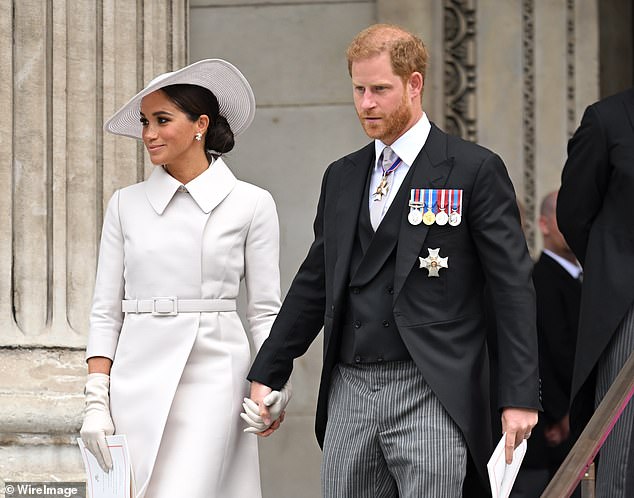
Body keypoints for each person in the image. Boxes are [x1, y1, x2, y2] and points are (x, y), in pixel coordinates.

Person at [244, 24, 540, 497]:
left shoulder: (473, 169)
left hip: (432, 387)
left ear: (414, 84)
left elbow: (512, 289)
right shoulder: (341, 176)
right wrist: (268, 370)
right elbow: (314, 281)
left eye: (380, 89)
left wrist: (519, 396)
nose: (366, 103)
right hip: (349, 386)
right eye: (358, 89)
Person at [79, 59, 282, 498]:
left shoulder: (252, 203)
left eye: (162, 120)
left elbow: (265, 310)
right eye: (144, 121)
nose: (148, 133)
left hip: (214, 378)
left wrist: (272, 381)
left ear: (200, 125)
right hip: (134, 382)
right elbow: (104, 311)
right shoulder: (124, 205)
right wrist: (97, 400)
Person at [557, 87, 634, 497]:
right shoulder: (607, 119)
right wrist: (615, 271)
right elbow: (574, 215)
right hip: (628, 308)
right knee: (621, 449)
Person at [511, 191, 582, 498]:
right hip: (547, 422)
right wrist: (559, 412)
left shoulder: (583, 277)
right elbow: (545, 351)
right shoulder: (538, 278)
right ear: (542, 225)